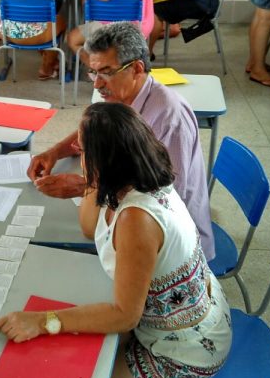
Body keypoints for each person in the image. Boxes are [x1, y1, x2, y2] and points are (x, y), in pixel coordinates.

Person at [0, 103, 231, 378]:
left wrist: (43, 321)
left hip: (184, 351)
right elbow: (89, 227)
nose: (77, 154)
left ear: (104, 160)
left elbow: (124, 315)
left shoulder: (137, 219)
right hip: (171, 318)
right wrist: (93, 181)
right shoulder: (134, 178)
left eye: (82, 150)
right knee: (74, 363)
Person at [28, 22, 215, 261]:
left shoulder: (169, 119)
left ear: (136, 68)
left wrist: (87, 187)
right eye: (93, 72)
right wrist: (54, 153)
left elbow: (165, 197)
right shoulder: (121, 94)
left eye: (106, 72)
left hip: (173, 244)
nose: (97, 83)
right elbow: (94, 130)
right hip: (132, 215)